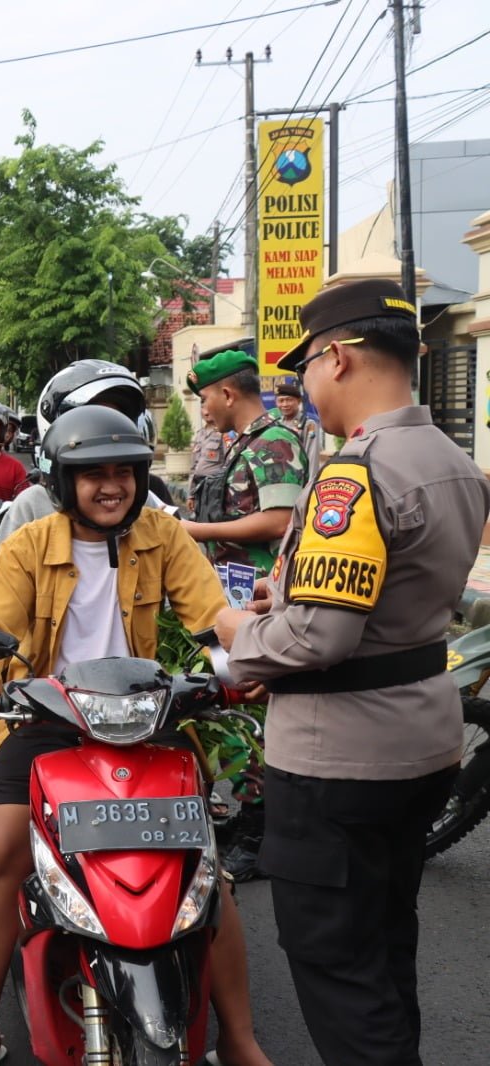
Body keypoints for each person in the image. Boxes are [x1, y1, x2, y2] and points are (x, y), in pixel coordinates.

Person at [0, 406, 272, 1066]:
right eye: (92, 475)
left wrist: (253, 658)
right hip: (49, 719)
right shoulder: (30, 543)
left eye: (125, 472)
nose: (111, 486)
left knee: (205, 873)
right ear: (64, 482)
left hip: (147, 721)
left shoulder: (165, 535)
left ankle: (239, 1039)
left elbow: (213, 615)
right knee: (1, 855)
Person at [216, 279, 490, 1066]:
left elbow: (320, 638)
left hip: (339, 760)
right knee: (383, 946)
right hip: (423, 741)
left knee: (340, 971)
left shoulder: (354, 471)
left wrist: (240, 631)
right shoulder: (453, 462)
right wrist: (290, 594)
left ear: (336, 358)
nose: (302, 385)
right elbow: (385, 593)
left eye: (304, 367)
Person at [180, 348, 309, 579]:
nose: (205, 410)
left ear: (228, 395)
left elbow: (280, 521)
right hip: (239, 588)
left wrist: (198, 530)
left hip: (264, 593)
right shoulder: (247, 441)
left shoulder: (274, 441)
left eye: (205, 399)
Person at [271, 377, 324, 475]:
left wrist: (310, 484)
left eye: (289, 400)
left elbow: (312, 457)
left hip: (300, 478)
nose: (285, 404)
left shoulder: (308, 424)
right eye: (281, 401)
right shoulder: (275, 424)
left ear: (299, 401)